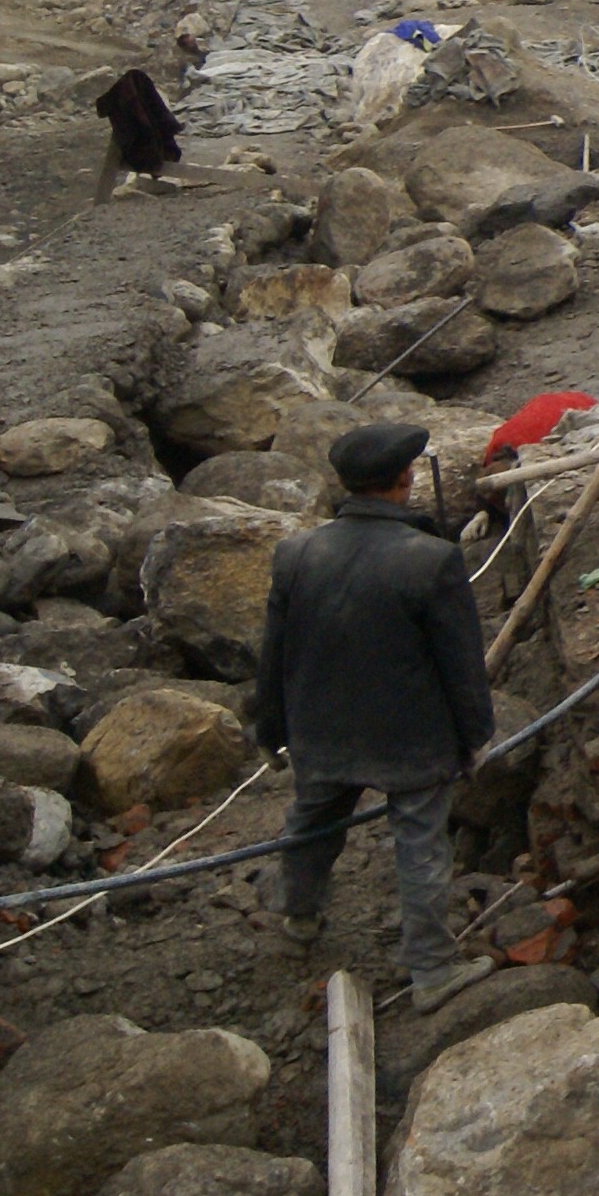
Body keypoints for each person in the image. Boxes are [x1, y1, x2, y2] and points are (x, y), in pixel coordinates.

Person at [248, 423, 495, 1010]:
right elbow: (461, 663)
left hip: (322, 729)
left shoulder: (298, 553)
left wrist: (271, 729)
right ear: (407, 479)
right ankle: (432, 969)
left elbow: (274, 652)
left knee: (311, 827)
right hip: (410, 738)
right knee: (421, 846)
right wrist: (477, 735)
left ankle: (300, 921)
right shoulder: (432, 560)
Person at [91, 64, 182, 201]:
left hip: (137, 138)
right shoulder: (131, 94)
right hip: (142, 134)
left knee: (115, 156)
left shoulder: (126, 99)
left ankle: (101, 199)